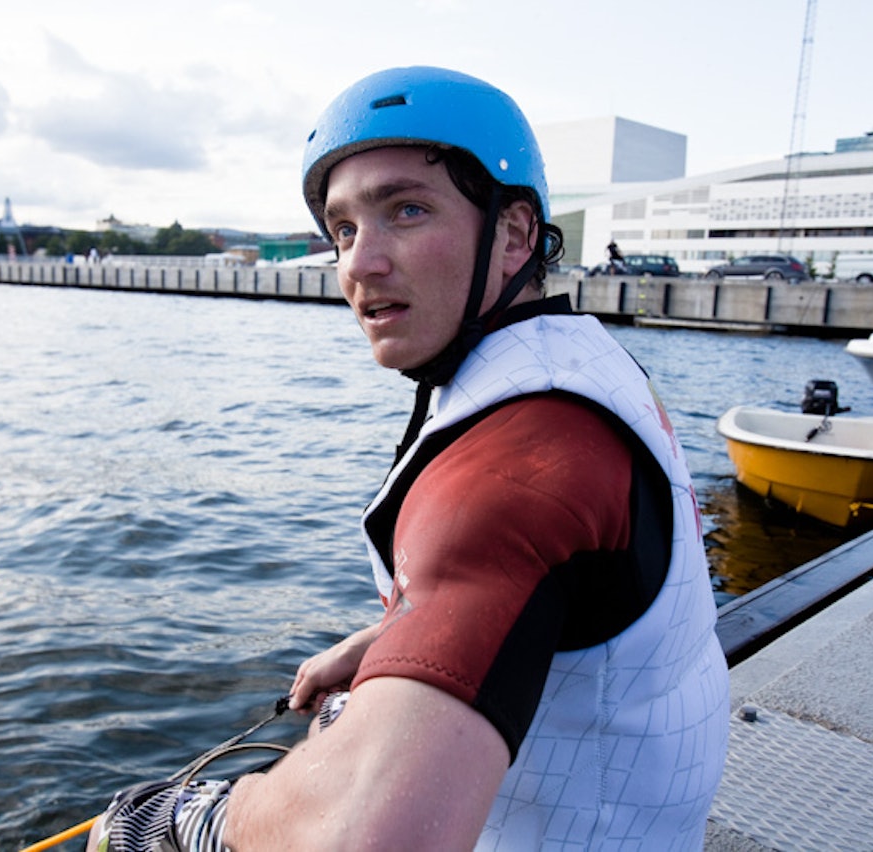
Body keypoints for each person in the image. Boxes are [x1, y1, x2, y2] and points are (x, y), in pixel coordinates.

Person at [88, 66, 729, 851]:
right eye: (345, 231)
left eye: (407, 210)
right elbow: (577, 592)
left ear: (517, 235)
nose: (360, 264)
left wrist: (193, 820)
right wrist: (393, 640)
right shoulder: (585, 377)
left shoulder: (510, 473)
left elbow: (370, 837)